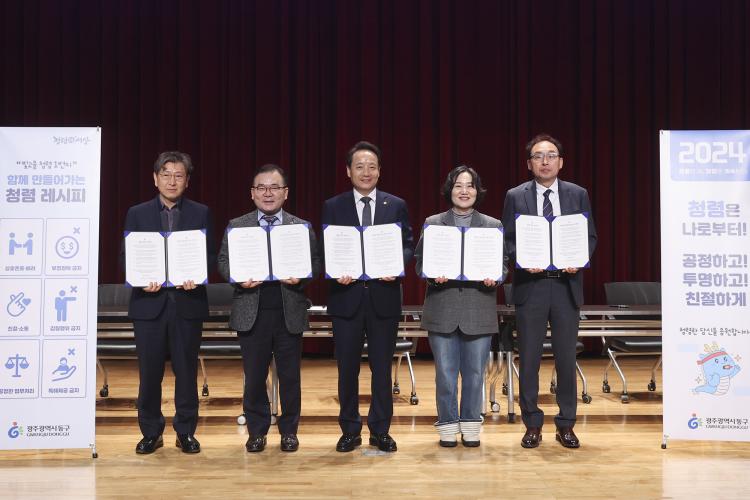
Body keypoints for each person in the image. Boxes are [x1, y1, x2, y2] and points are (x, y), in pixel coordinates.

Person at [502, 134, 597, 449]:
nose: (545, 161)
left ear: (561, 161)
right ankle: (532, 424)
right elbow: (508, 240)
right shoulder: (515, 196)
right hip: (531, 287)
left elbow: (590, 236)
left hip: (566, 285)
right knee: (529, 359)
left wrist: (578, 259)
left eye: (551, 155)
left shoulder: (578, 194)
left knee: (566, 359)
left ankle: (566, 424)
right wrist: (521, 259)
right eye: (538, 156)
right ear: (529, 163)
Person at [217, 164, 321, 453]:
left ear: (285, 193)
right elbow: (223, 261)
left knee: (290, 377)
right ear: (252, 193)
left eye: (274, 187)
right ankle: (257, 431)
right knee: (254, 377)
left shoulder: (300, 227)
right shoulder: (237, 226)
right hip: (252, 310)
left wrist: (302, 276)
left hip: (289, 310)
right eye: (261, 187)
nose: (268, 193)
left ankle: (289, 431)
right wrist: (238, 277)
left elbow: (314, 263)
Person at [321, 140, 414, 453]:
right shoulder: (333, 206)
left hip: (382, 297)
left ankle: (380, 430)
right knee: (347, 369)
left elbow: (407, 245)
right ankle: (349, 430)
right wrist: (335, 270)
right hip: (346, 298)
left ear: (379, 171)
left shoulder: (395, 204)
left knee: (381, 369)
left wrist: (395, 265)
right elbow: (327, 249)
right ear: (348, 171)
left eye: (371, 166)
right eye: (359, 166)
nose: (366, 172)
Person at [122, 151, 216, 455]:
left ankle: (185, 432)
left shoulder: (201, 212)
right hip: (148, 305)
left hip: (187, 302)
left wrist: (196, 276)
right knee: (149, 373)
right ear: (155, 178)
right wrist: (140, 279)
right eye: (166, 174)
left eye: (178, 175)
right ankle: (151, 432)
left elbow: (210, 256)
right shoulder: (136, 213)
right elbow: (126, 257)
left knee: (186, 372)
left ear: (187, 181)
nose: (172, 181)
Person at [415, 165, 507, 447]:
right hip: (442, 308)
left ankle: (470, 427)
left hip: (478, 308)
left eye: (470, 186)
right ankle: (447, 426)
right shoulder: (433, 223)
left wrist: (496, 277)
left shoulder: (492, 225)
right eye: (458, 185)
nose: (464, 191)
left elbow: (503, 264)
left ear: (477, 191)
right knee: (444, 375)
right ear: (450, 190)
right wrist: (432, 274)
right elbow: (420, 262)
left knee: (475, 375)